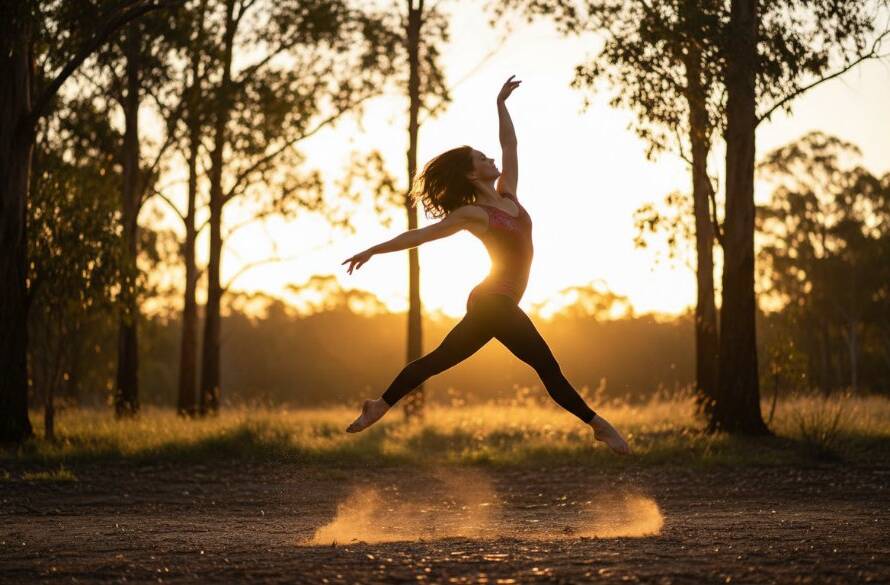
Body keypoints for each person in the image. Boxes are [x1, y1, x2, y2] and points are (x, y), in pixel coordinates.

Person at [341, 75, 631, 455]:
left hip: (495, 301)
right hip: (494, 301)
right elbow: (420, 236)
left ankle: (379, 405)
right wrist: (373, 250)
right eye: (482, 158)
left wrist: (501, 105)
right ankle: (599, 426)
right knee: (547, 366)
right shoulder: (473, 214)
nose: (491, 159)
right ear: (471, 173)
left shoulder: (509, 193)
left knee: (438, 360)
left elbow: (509, 144)